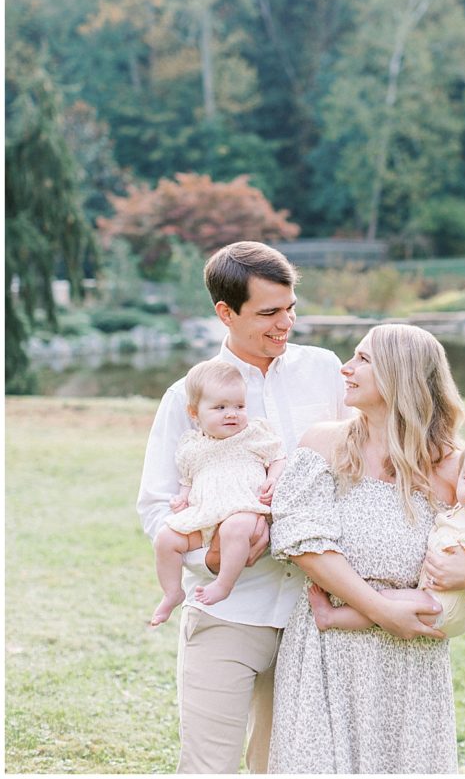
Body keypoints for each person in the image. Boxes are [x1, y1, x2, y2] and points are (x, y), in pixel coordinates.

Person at [136, 241, 355, 774]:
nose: (287, 323)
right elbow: (156, 505)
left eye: (291, 307)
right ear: (225, 314)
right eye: (269, 313)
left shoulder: (326, 371)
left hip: (316, 613)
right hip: (229, 612)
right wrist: (213, 557)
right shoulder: (186, 396)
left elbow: (363, 465)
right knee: (209, 767)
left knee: (285, 767)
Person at [268, 323, 465, 774]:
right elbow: (305, 544)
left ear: (401, 375)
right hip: (329, 649)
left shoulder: (453, 466)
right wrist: (381, 610)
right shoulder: (324, 443)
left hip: (410, 660)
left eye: (363, 359)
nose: (346, 368)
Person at [307, 430, 465, 640]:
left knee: (384, 602)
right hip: (435, 597)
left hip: (442, 607)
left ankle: (330, 617)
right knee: (386, 601)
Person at [150, 359, 286, 627]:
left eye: (239, 406)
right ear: (194, 412)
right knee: (165, 539)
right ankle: (172, 592)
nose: (232, 414)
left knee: (235, 529)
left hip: (244, 508)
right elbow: (187, 478)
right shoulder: (192, 447)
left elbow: (278, 457)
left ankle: (224, 584)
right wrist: (182, 497)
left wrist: (273, 478)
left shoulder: (252, 434)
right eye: (220, 408)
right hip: (204, 515)